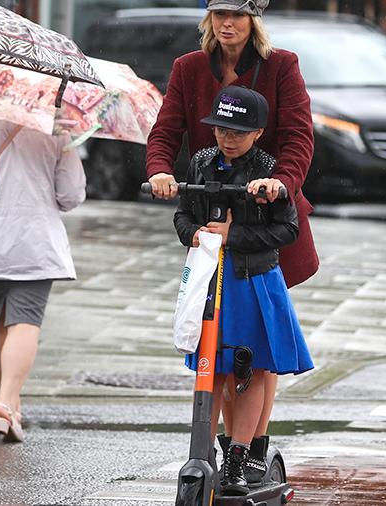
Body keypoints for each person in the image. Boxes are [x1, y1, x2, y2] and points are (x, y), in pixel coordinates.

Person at [146, 0, 317, 486]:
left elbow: (299, 137)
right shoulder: (190, 67)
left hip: (265, 219)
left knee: (260, 350)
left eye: (237, 15)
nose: (227, 24)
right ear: (208, 19)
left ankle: (253, 449)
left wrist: (281, 182)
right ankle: (232, 446)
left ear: (253, 20)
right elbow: (166, 130)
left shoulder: (281, 65)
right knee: (219, 351)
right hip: (213, 230)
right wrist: (160, 169)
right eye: (219, 13)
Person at [174, 85, 313, 496]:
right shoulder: (200, 163)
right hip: (210, 280)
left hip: (254, 281)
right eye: (220, 129)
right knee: (210, 368)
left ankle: (240, 455)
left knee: (249, 371)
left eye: (237, 132)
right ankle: (205, 449)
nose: (227, 138)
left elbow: (287, 229)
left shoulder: (268, 171)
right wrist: (194, 233)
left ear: (257, 132)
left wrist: (235, 234)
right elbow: (183, 214)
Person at [0, 117, 86, 443]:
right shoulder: (56, 129)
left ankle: (11, 406)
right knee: (25, 321)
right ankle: (7, 403)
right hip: (34, 242)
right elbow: (71, 194)